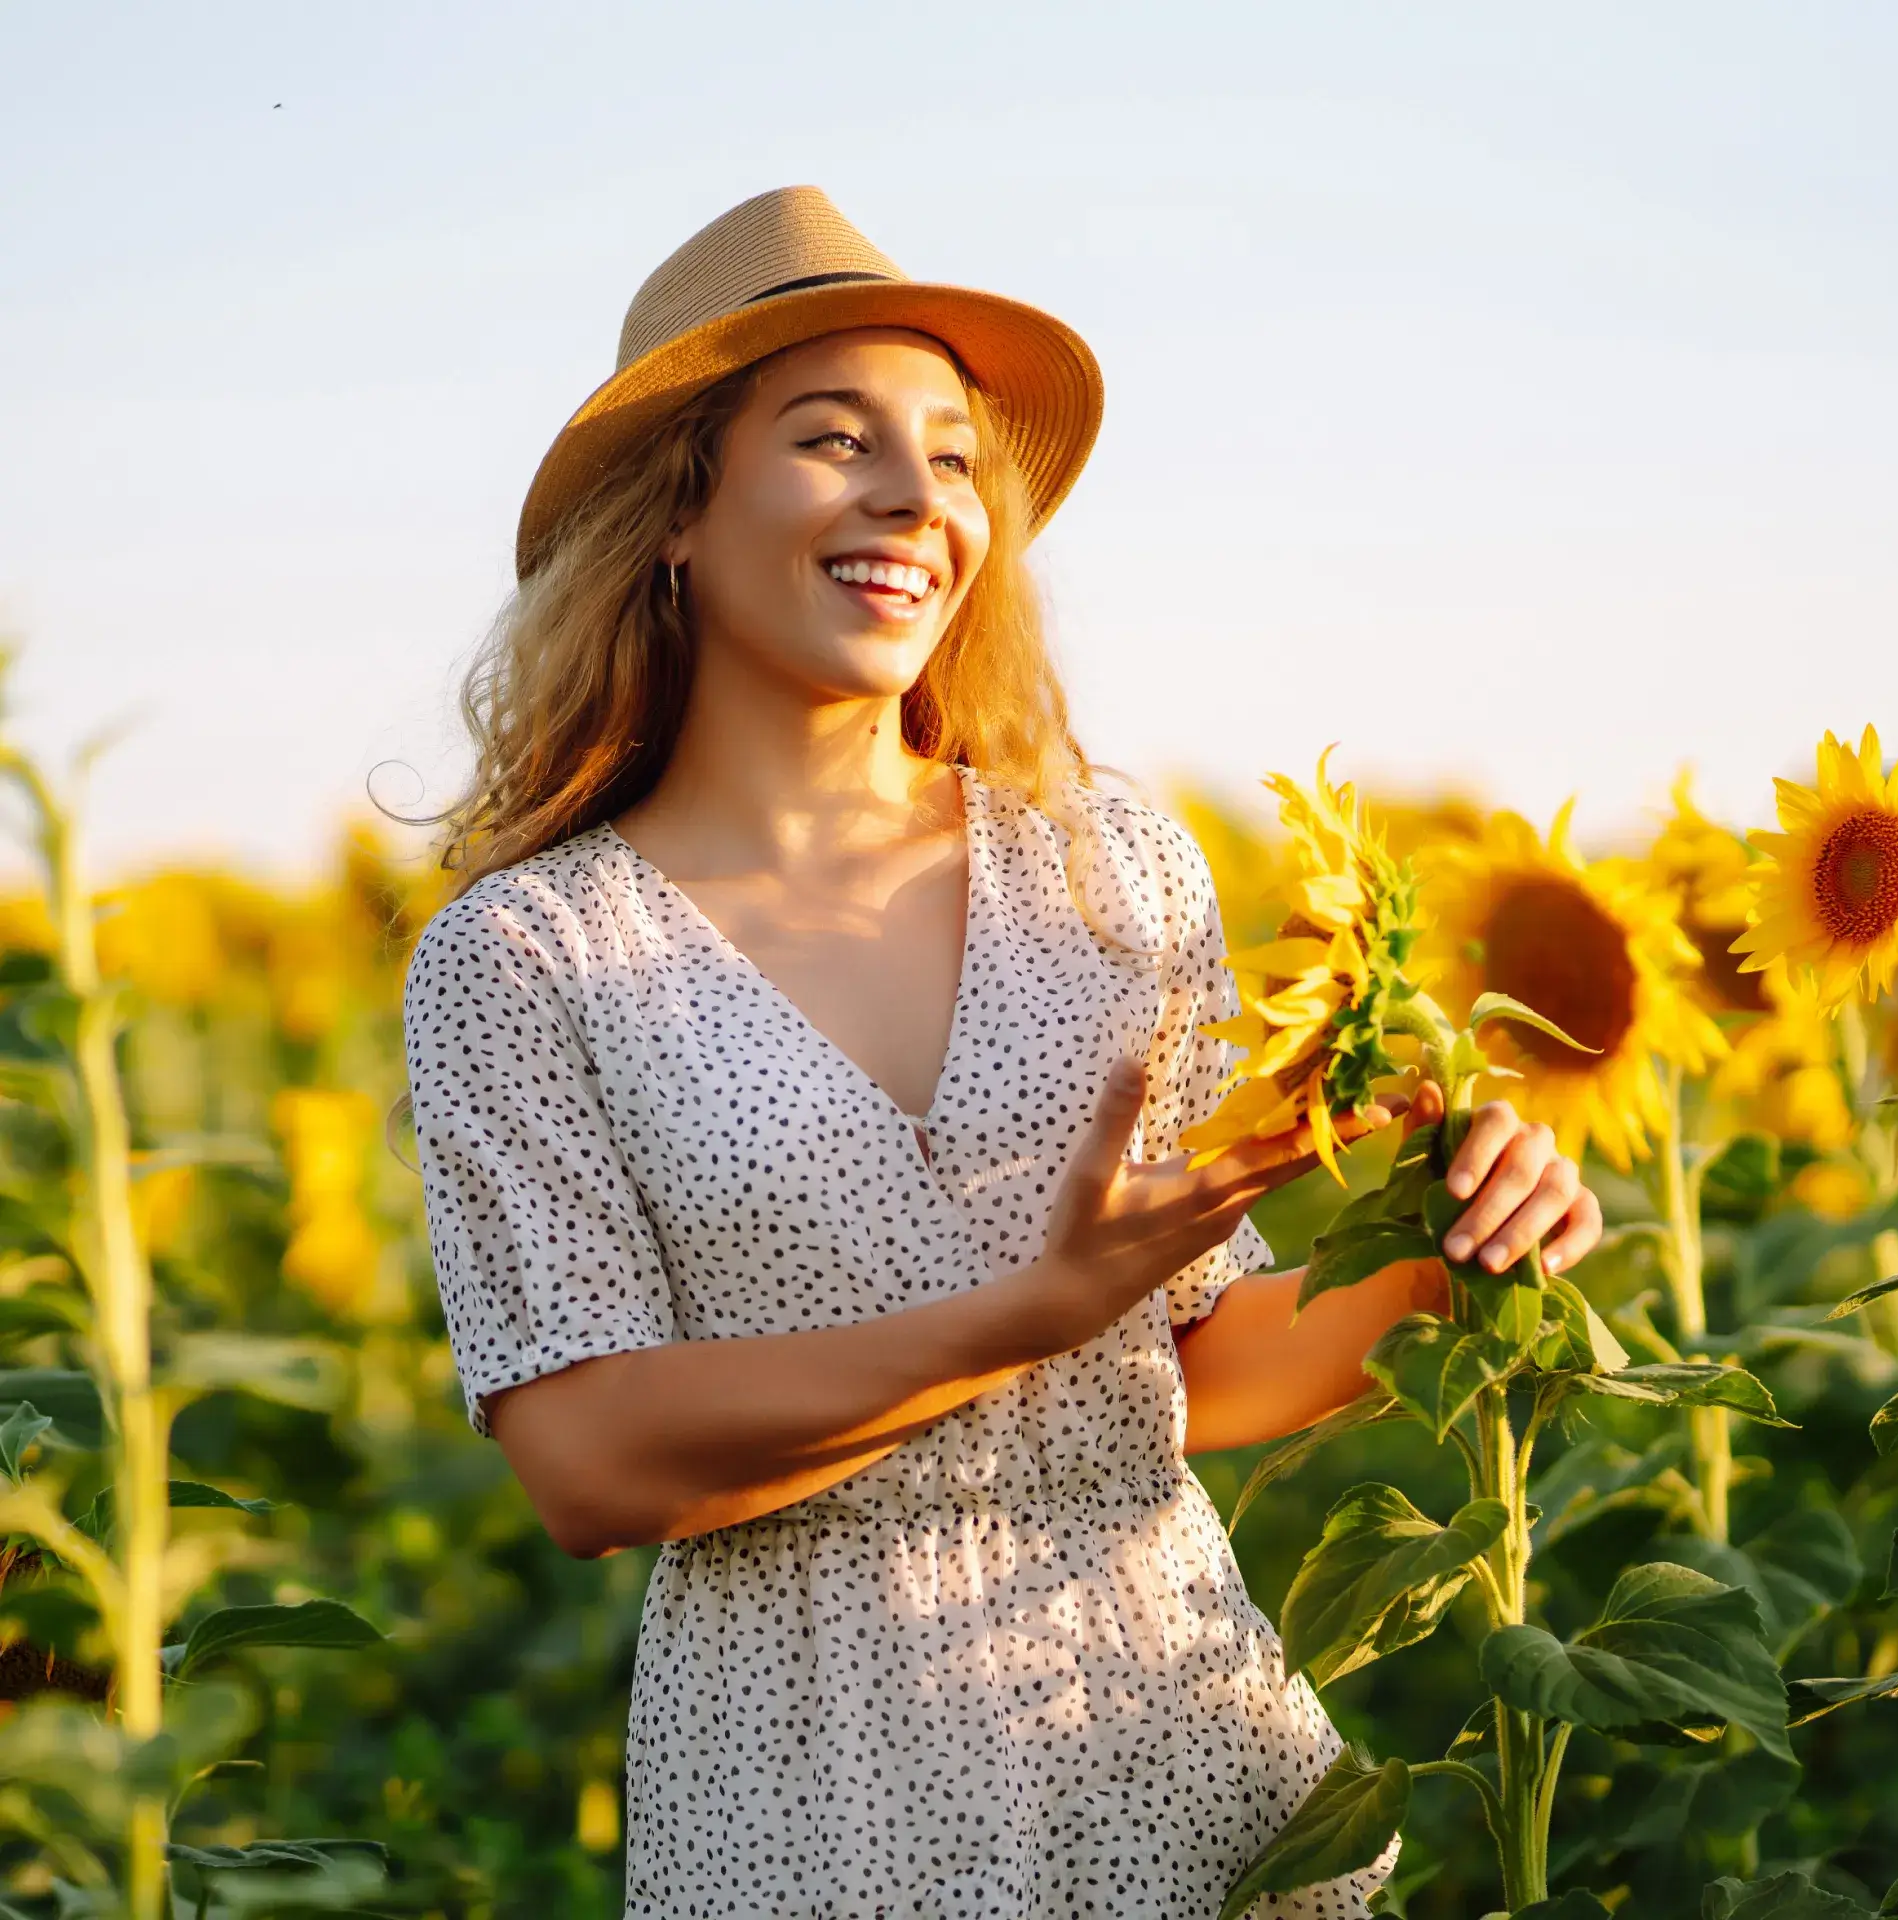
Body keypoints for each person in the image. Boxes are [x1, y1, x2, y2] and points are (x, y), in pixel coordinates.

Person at [399, 186, 1603, 1919]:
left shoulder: (1111, 867)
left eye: (954, 459)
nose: (912, 497)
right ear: (676, 510)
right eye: (834, 439)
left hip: (1176, 1728)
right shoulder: (530, 956)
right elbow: (589, 1461)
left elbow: (1185, 1376)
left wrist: (1453, 1258)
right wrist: (1017, 1320)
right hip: (809, 1785)